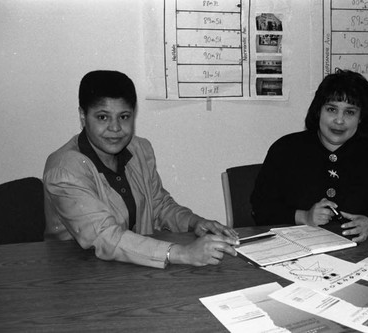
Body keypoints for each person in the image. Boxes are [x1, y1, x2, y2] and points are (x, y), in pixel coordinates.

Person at [44, 70, 239, 268]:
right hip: (81, 275)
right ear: (83, 116)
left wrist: (194, 222)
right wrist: (182, 253)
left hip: (134, 266)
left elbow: (158, 204)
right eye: (103, 117)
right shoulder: (63, 170)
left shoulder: (139, 149)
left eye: (124, 116)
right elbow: (104, 236)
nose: (115, 128)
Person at [251, 69, 368, 242]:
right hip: (296, 248)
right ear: (319, 111)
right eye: (332, 109)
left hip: (362, 249)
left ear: (361, 117)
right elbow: (261, 209)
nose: (339, 120)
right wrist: (304, 217)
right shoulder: (285, 149)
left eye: (350, 112)